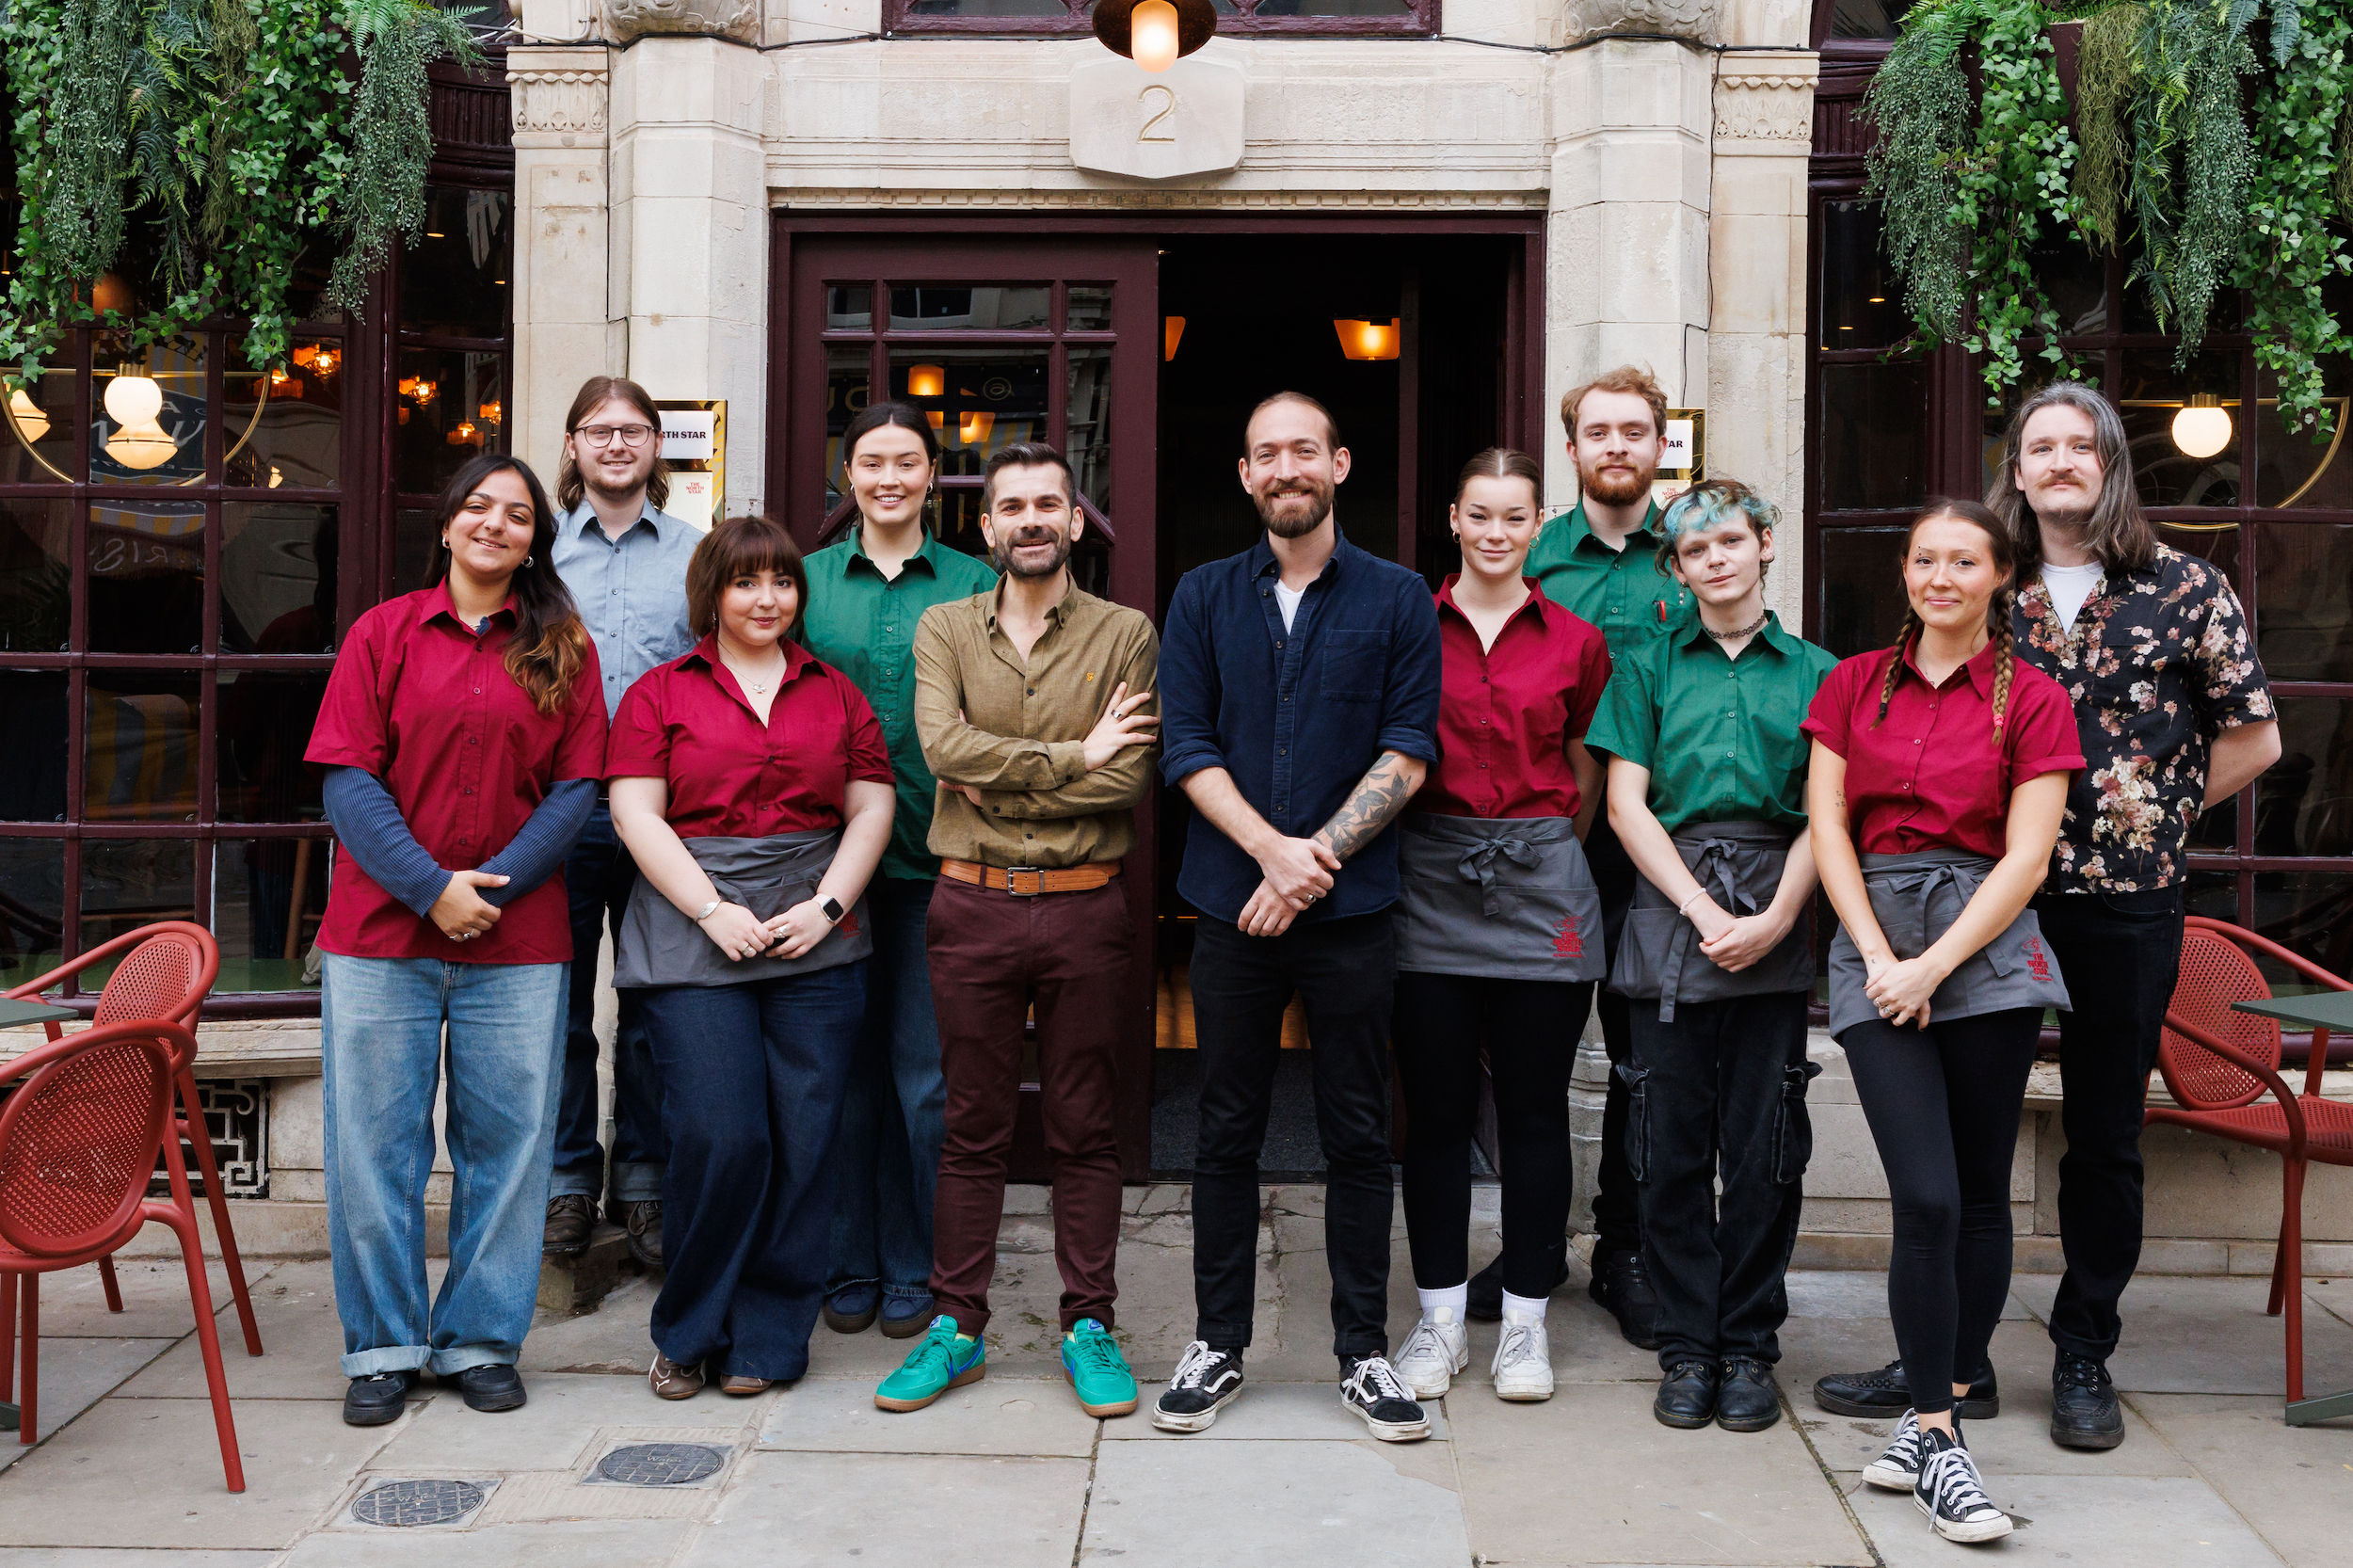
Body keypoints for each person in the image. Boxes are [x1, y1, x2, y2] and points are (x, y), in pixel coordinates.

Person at [1813, 382, 2280, 1450]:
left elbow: (2252, 739)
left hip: (2121, 900)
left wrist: (2146, 815)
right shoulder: (1982, 583)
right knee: (1968, 1149)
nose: (2060, 461)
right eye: (2040, 447)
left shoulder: (2186, 586)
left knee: (2104, 1132)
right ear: (2013, 470)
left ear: (2110, 462)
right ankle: (1952, 1359)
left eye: (2081, 445)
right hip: (1976, 903)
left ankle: (2082, 1354)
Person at [1152, 392, 1442, 1442]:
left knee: (1358, 1131)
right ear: (1244, 475)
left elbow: (1407, 750)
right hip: (1232, 910)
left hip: (1351, 910)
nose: (1286, 467)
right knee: (1223, 1127)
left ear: (1340, 463)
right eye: (1265, 451)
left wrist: (1309, 862)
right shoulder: (1200, 596)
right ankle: (1218, 1340)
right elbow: (1184, 745)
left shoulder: (1400, 597)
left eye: (1304, 450)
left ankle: (1362, 1352)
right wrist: (1269, 855)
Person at [1803, 500, 2083, 1544]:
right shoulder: (1850, 685)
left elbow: (2026, 856)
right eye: (1924, 558)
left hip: (1986, 947)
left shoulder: (2036, 698)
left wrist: (1935, 961)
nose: (1940, 575)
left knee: (1975, 1198)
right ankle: (1939, 1444)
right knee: (1924, 1194)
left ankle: (1941, 1409)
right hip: (1875, 942)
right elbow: (1828, 824)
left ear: (2000, 577)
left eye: (1963, 560)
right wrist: (1882, 957)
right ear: (1906, 573)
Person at [308, 455, 607, 1427]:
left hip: (516, 945)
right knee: (373, 1146)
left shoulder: (563, 646)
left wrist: (493, 889)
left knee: (509, 1149)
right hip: (380, 935)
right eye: (478, 506)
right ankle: (385, 1347)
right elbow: (348, 780)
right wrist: (431, 888)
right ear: (446, 525)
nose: (495, 524)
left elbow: (575, 790)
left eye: (516, 515)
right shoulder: (382, 633)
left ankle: (480, 1339)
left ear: (534, 540)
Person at [870, 441, 1160, 1420]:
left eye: (1049, 504)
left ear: (1076, 522)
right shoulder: (944, 627)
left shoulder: (1125, 634)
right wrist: (1075, 750)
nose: (1031, 520)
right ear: (985, 527)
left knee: (1086, 1124)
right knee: (973, 1123)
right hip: (971, 902)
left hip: (1084, 904)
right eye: (1012, 507)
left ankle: (1090, 1322)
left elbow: (1128, 780)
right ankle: (957, 1327)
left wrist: (1002, 767)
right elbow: (937, 746)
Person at [607, 515, 896, 1399]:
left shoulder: (834, 692)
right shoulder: (660, 692)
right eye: (745, 582)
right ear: (714, 595)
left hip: (816, 934)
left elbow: (872, 807)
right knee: (722, 1136)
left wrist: (829, 906)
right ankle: (689, 1328)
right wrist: (709, 909)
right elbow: (635, 813)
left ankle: (769, 1338)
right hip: (694, 933)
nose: (765, 598)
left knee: (806, 1141)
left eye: (780, 582)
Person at [1585, 480, 1835, 1433]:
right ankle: (1688, 1347)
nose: (1716, 560)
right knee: (1667, 1142)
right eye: (1696, 550)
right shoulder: (1645, 666)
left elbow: (1828, 811)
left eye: (1730, 540)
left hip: (1780, 894)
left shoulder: (1819, 672)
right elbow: (1623, 805)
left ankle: (1749, 1346)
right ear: (1677, 567)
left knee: (1766, 1143)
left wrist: (1776, 916)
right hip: (1667, 905)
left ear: (1765, 544)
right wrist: (1696, 907)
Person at [1471, 365, 1693, 1344]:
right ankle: (1532, 1246)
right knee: (1534, 1063)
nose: (1615, 446)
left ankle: (1627, 1248)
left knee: (1645, 1057)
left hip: (1660, 841)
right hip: (1549, 842)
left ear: (1658, 447)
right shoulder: (1532, 557)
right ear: (1571, 450)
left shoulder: (1691, 555)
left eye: (1633, 431)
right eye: (1596, 431)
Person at [1385, 448, 1611, 1408]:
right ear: (1453, 517)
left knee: (1531, 1111)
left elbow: (1584, 764)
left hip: (1539, 882)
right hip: (1428, 873)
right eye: (1478, 514)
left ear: (1535, 523)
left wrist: (1547, 849)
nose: (1493, 531)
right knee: (1433, 1113)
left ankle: (1524, 1320)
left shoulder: (1575, 638)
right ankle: (1439, 1321)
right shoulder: (1407, 627)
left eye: (1513, 516)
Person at [802, 403, 997, 1340]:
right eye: (871, 461)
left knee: (923, 1078)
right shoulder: (800, 584)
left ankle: (917, 1264)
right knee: (838, 1075)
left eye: (906, 461)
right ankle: (845, 1257)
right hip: (822, 868)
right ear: (849, 475)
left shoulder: (973, 582)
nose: (888, 477)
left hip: (938, 857)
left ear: (932, 476)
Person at [545, 375, 696, 1269]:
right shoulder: (538, 555)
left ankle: (643, 1184)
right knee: (560, 1011)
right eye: (597, 430)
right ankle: (568, 1182)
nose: (615, 444)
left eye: (632, 430)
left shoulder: (695, 552)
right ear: (572, 447)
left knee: (650, 1003)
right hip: (559, 813)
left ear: (656, 447)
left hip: (663, 813)